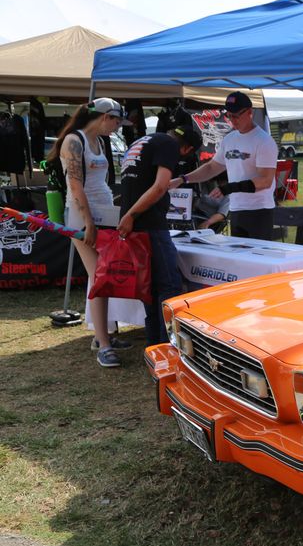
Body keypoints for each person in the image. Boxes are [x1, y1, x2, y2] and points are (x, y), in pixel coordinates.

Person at [46, 98, 132, 368]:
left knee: (106, 274)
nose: (118, 127)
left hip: (104, 212)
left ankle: (104, 333)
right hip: (82, 216)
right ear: (105, 116)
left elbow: (100, 181)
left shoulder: (101, 141)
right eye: (116, 121)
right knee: (99, 276)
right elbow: (75, 184)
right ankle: (103, 343)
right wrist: (88, 222)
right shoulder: (75, 140)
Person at [117, 124, 203, 346]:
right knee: (169, 286)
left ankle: (154, 344)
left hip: (136, 224)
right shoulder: (169, 146)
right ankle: (167, 346)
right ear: (187, 149)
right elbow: (160, 186)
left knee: (150, 286)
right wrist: (131, 215)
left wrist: (129, 216)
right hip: (149, 223)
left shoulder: (145, 141)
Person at [170, 92, 277, 239]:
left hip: (259, 210)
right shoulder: (229, 139)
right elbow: (211, 167)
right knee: (238, 259)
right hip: (236, 210)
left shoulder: (264, 141)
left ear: (250, 112)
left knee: (258, 259)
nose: (232, 120)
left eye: (236, 115)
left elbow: (265, 180)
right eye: (229, 115)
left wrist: (228, 188)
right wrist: (183, 179)